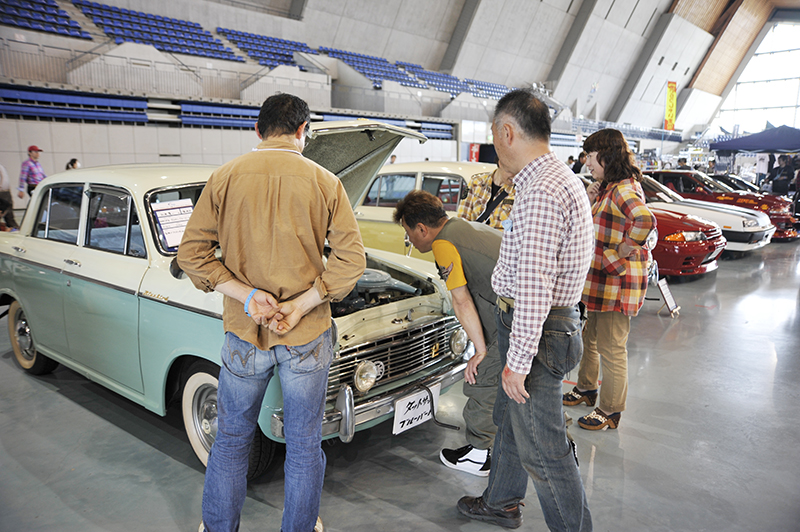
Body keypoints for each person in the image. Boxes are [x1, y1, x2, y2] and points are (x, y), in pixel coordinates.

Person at [177, 93, 366, 532]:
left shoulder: (224, 177)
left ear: (257, 131)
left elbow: (192, 255)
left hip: (245, 332)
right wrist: (302, 304)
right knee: (303, 446)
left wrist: (247, 297)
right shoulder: (325, 182)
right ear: (304, 131)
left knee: (230, 440)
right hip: (306, 335)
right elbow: (351, 261)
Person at [457, 89, 594, 531]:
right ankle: (501, 502)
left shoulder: (540, 192)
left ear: (508, 132)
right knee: (512, 425)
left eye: (495, 139)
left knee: (544, 447)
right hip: (541, 324)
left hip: (536, 327)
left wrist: (517, 363)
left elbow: (535, 286)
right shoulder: (556, 179)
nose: (496, 150)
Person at [394, 190, 503, 477]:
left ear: (421, 228)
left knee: (483, 378)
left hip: (511, 317)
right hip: (531, 310)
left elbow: (461, 299)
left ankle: (480, 455)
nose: (410, 240)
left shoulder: (444, 244)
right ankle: (559, 443)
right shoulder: (464, 226)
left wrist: (479, 351)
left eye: (408, 232)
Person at [562, 129, 655, 432]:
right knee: (591, 338)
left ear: (606, 155)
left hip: (617, 283)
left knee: (613, 347)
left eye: (590, 156)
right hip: (602, 282)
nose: (586, 162)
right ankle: (587, 387)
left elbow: (644, 220)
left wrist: (623, 251)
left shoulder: (623, 189)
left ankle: (610, 409)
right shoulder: (609, 187)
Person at [456, 159, 516, 230]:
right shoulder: (476, 182)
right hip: (473, 238)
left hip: (500, 240)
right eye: (511, 171)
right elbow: (462, 218)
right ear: (501, 163)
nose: (515, 176)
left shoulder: (519, 190)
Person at [0, 164, 19, 230]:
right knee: (4, 212)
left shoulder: (1, 166)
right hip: (1, 192)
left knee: (9, 213)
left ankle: (14, 228)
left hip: (6, 191)